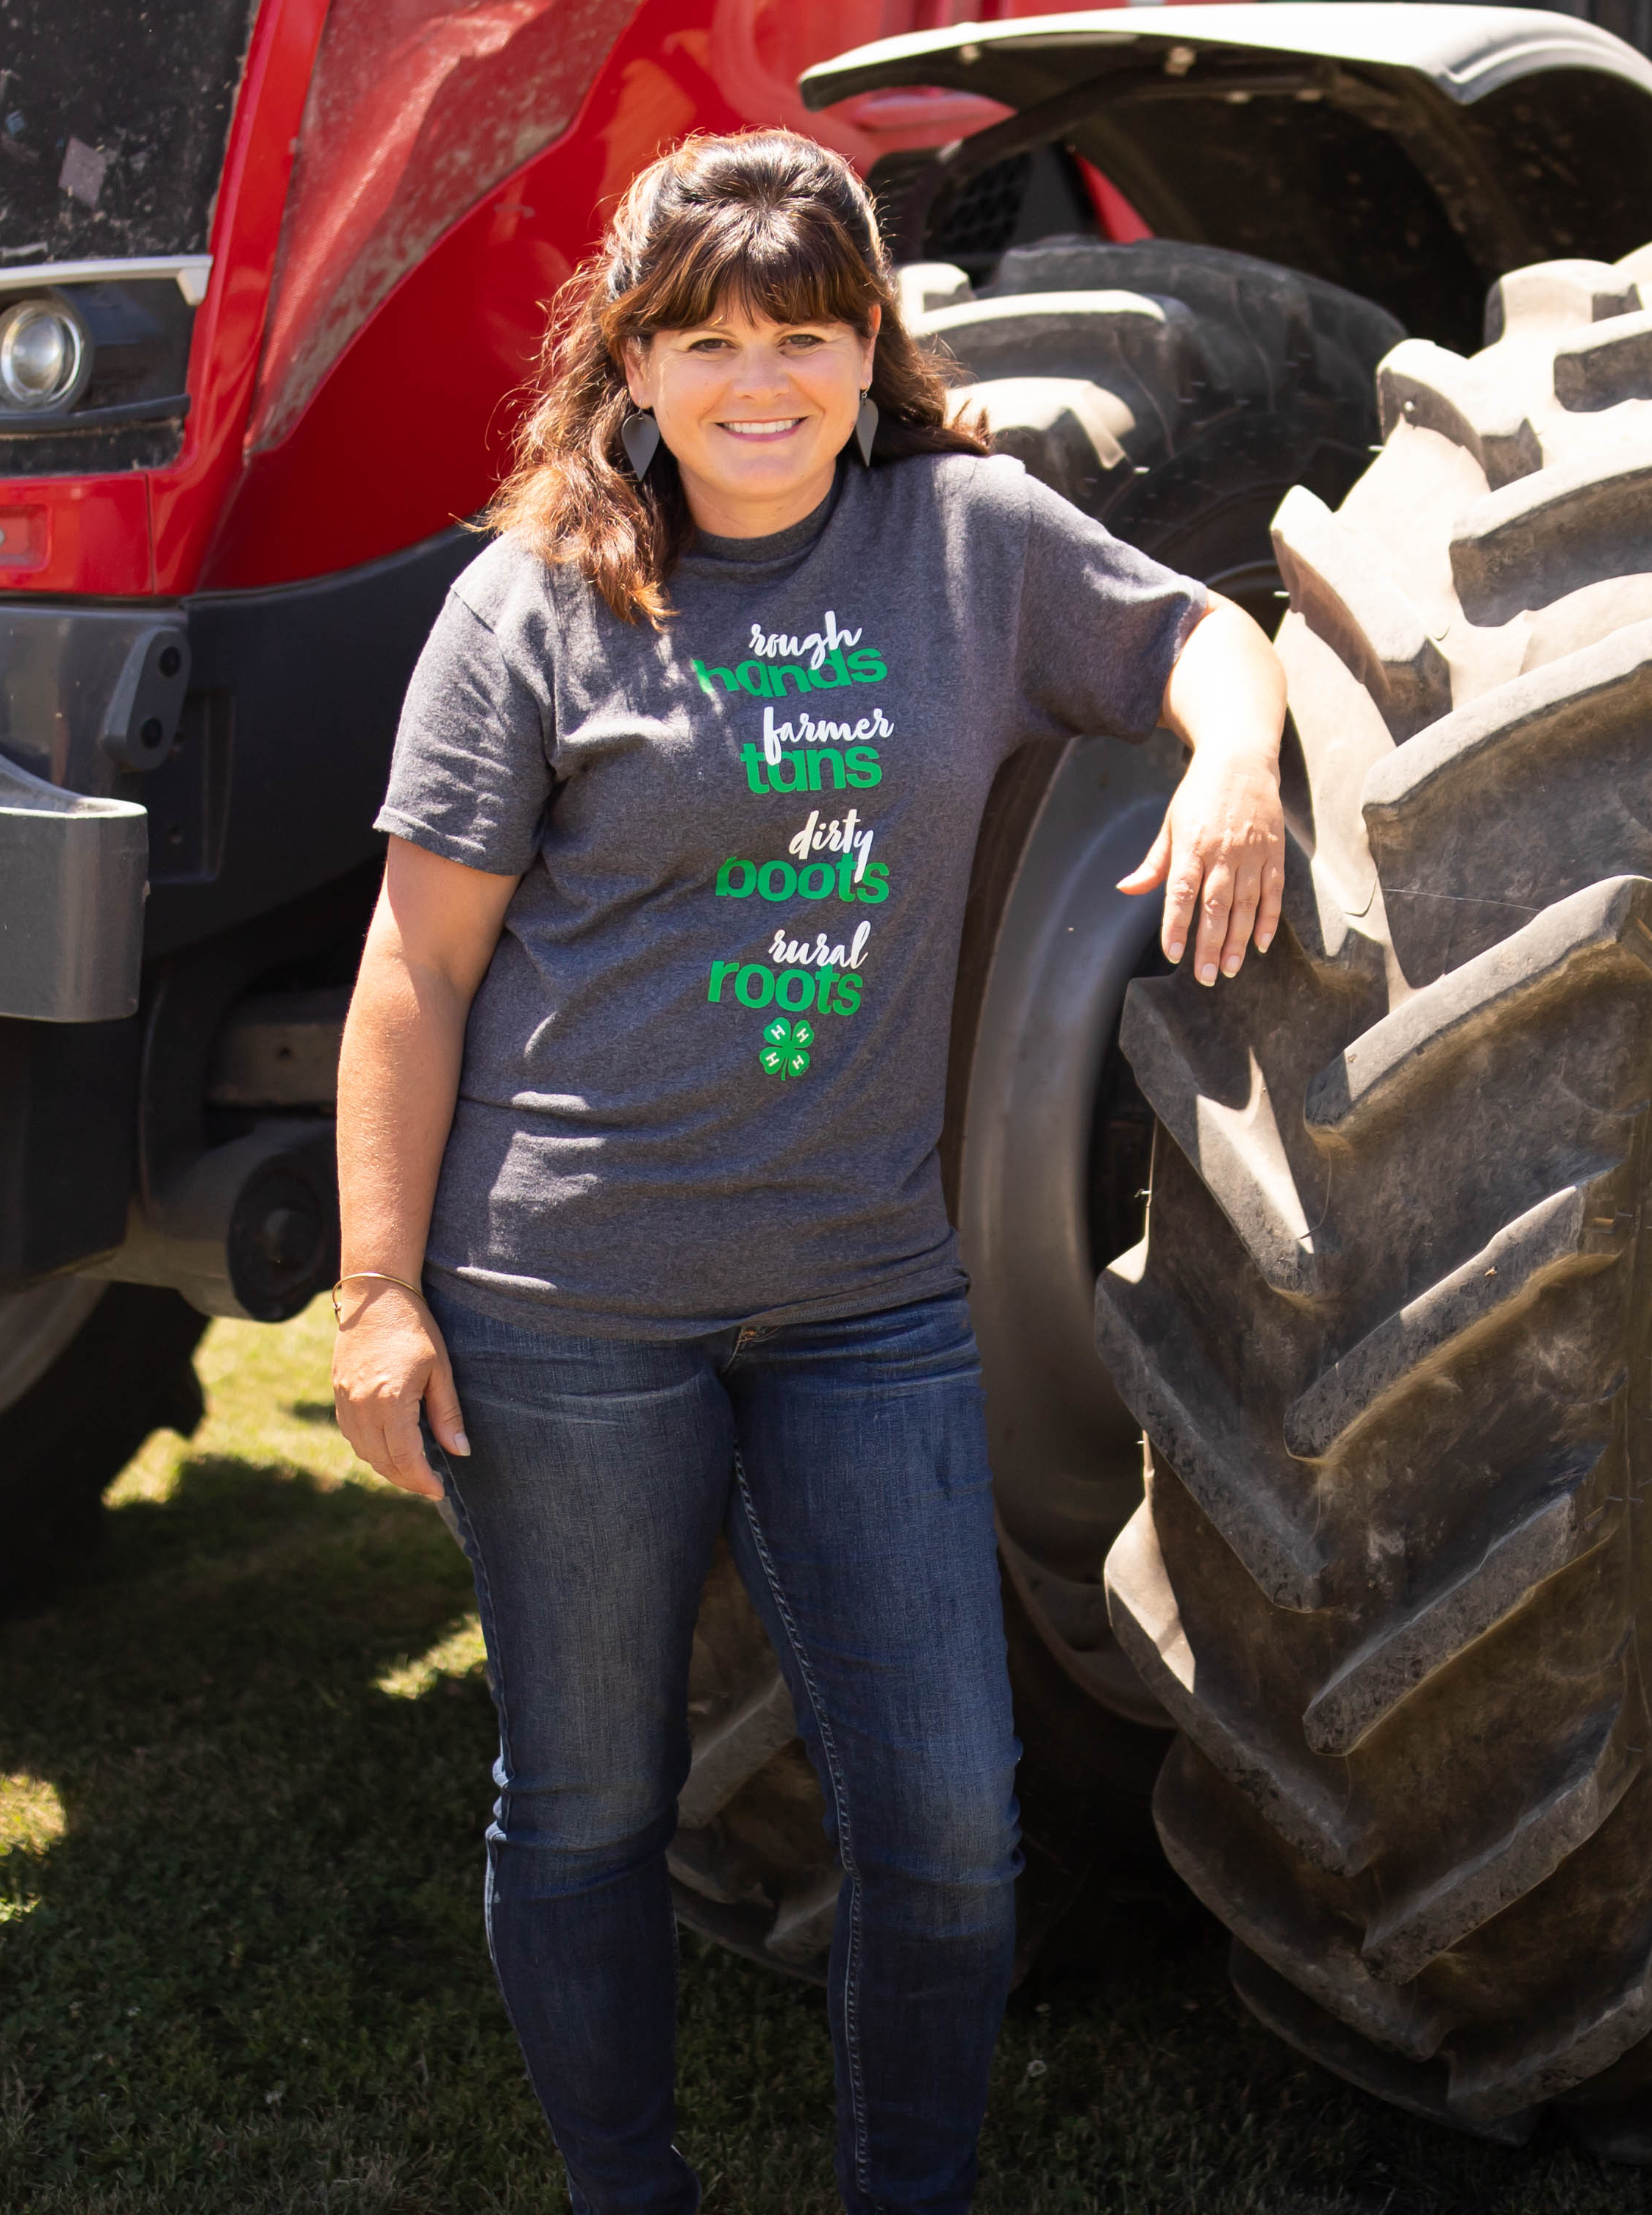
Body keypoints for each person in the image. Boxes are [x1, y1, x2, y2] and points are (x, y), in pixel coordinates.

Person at [332, 129, 1291, 2215]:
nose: (753, 382)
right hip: (569, 1313)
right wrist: (382, 1290)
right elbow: (415, 965)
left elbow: (1204, 632)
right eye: (703, 339)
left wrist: (1234, 756)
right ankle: (627, 2193)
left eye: (801, 334)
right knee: (589, 1801)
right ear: (634, 358)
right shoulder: (535, 603)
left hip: (865, 1304)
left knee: (948, 1820)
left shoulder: (966, 546)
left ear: (873, 349)